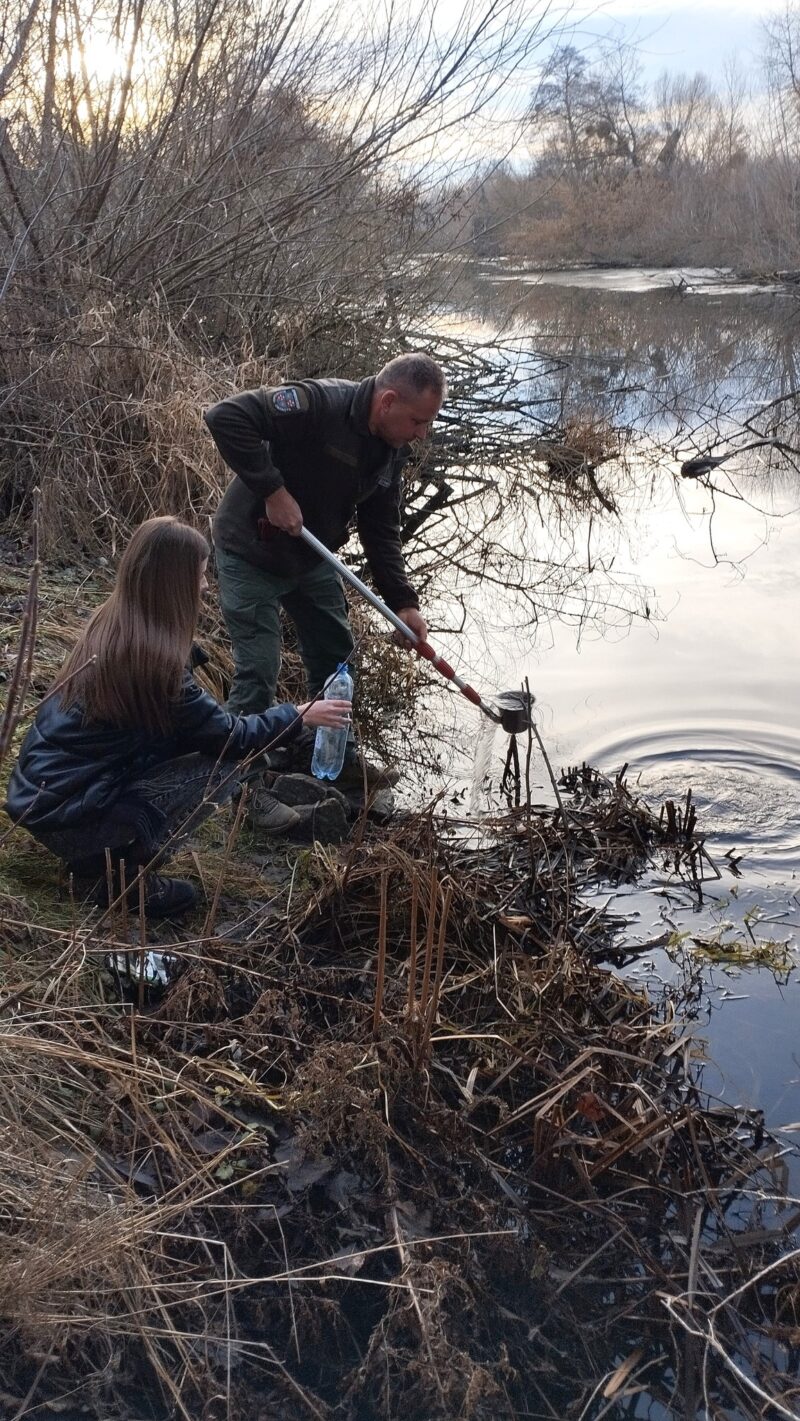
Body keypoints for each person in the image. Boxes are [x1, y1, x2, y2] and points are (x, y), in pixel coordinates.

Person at [3, 517, 351, 918]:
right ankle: (117, 879)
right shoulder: (156, 665)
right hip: (69, 815)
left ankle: (96, 860)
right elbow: (231, 739)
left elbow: (180, 727)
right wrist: (300, 714)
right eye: (200, 576)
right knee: (223, 769)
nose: (205, 586)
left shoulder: (115, 624)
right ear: (173, 583)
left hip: (44, 801)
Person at [204, 351, 445, 832]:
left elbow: (382, 530)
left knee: (337, 659)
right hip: (250, 549)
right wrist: (273, 491)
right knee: (259, 670)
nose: (422, 433)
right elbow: (225, 416)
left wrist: (404, 604)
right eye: (418, 421)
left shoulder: (390, 449)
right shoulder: (317, 404)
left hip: (311, 558)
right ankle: (237, 788)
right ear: (388, 400)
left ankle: (334, 760)